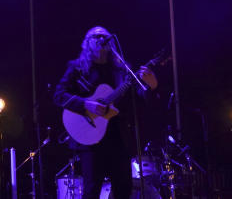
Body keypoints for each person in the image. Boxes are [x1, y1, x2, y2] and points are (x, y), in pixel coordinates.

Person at [54, 26, 158, 199]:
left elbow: (138, 102)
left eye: (105, 36)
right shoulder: (77, 68)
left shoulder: (122, 71)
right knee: (92, 190)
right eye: (96, 37)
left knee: (123, 189)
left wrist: (151, 87)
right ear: (87, 43)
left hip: (119, 137)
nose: (101, 39)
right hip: (90, 139)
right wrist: (86, 105)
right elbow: (59, 95)